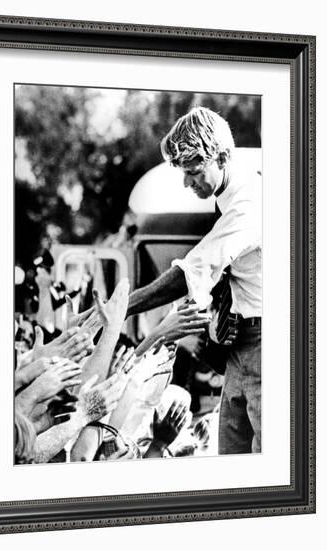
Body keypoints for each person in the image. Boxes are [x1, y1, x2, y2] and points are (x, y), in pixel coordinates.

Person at [126, 106, 262, 455]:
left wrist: (122, 308)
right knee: (232, 457)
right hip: (239, 350)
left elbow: (192, 271)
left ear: (223, 157)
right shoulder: (228, 200)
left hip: (264, 347)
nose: (188, 183)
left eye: (194, 172)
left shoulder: (248, 204)